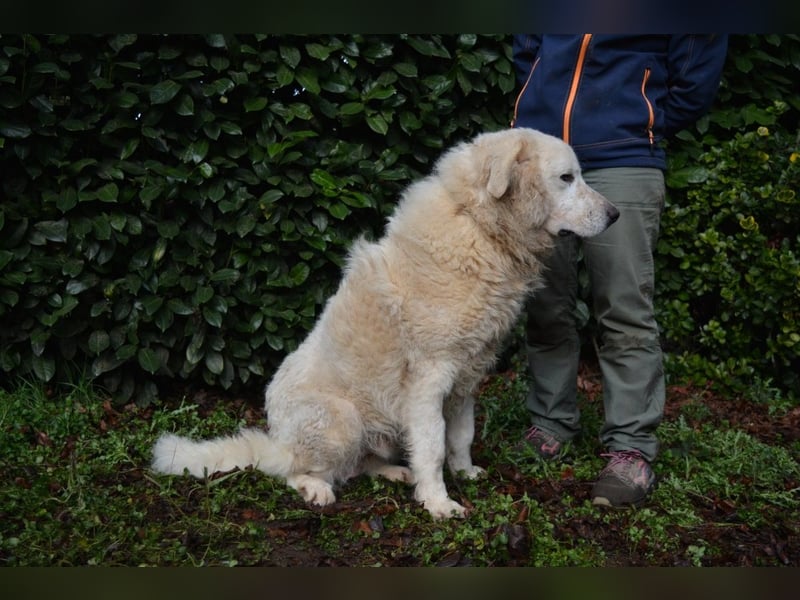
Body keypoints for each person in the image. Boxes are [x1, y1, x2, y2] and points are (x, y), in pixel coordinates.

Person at [511, 34, 728, 507]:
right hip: (542, 160)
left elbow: (697, 74)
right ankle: (550, 422)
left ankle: (631, 447)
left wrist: (638, 122)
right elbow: (529, 49)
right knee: (546, 306)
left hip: (622, 158)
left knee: (624, 309)